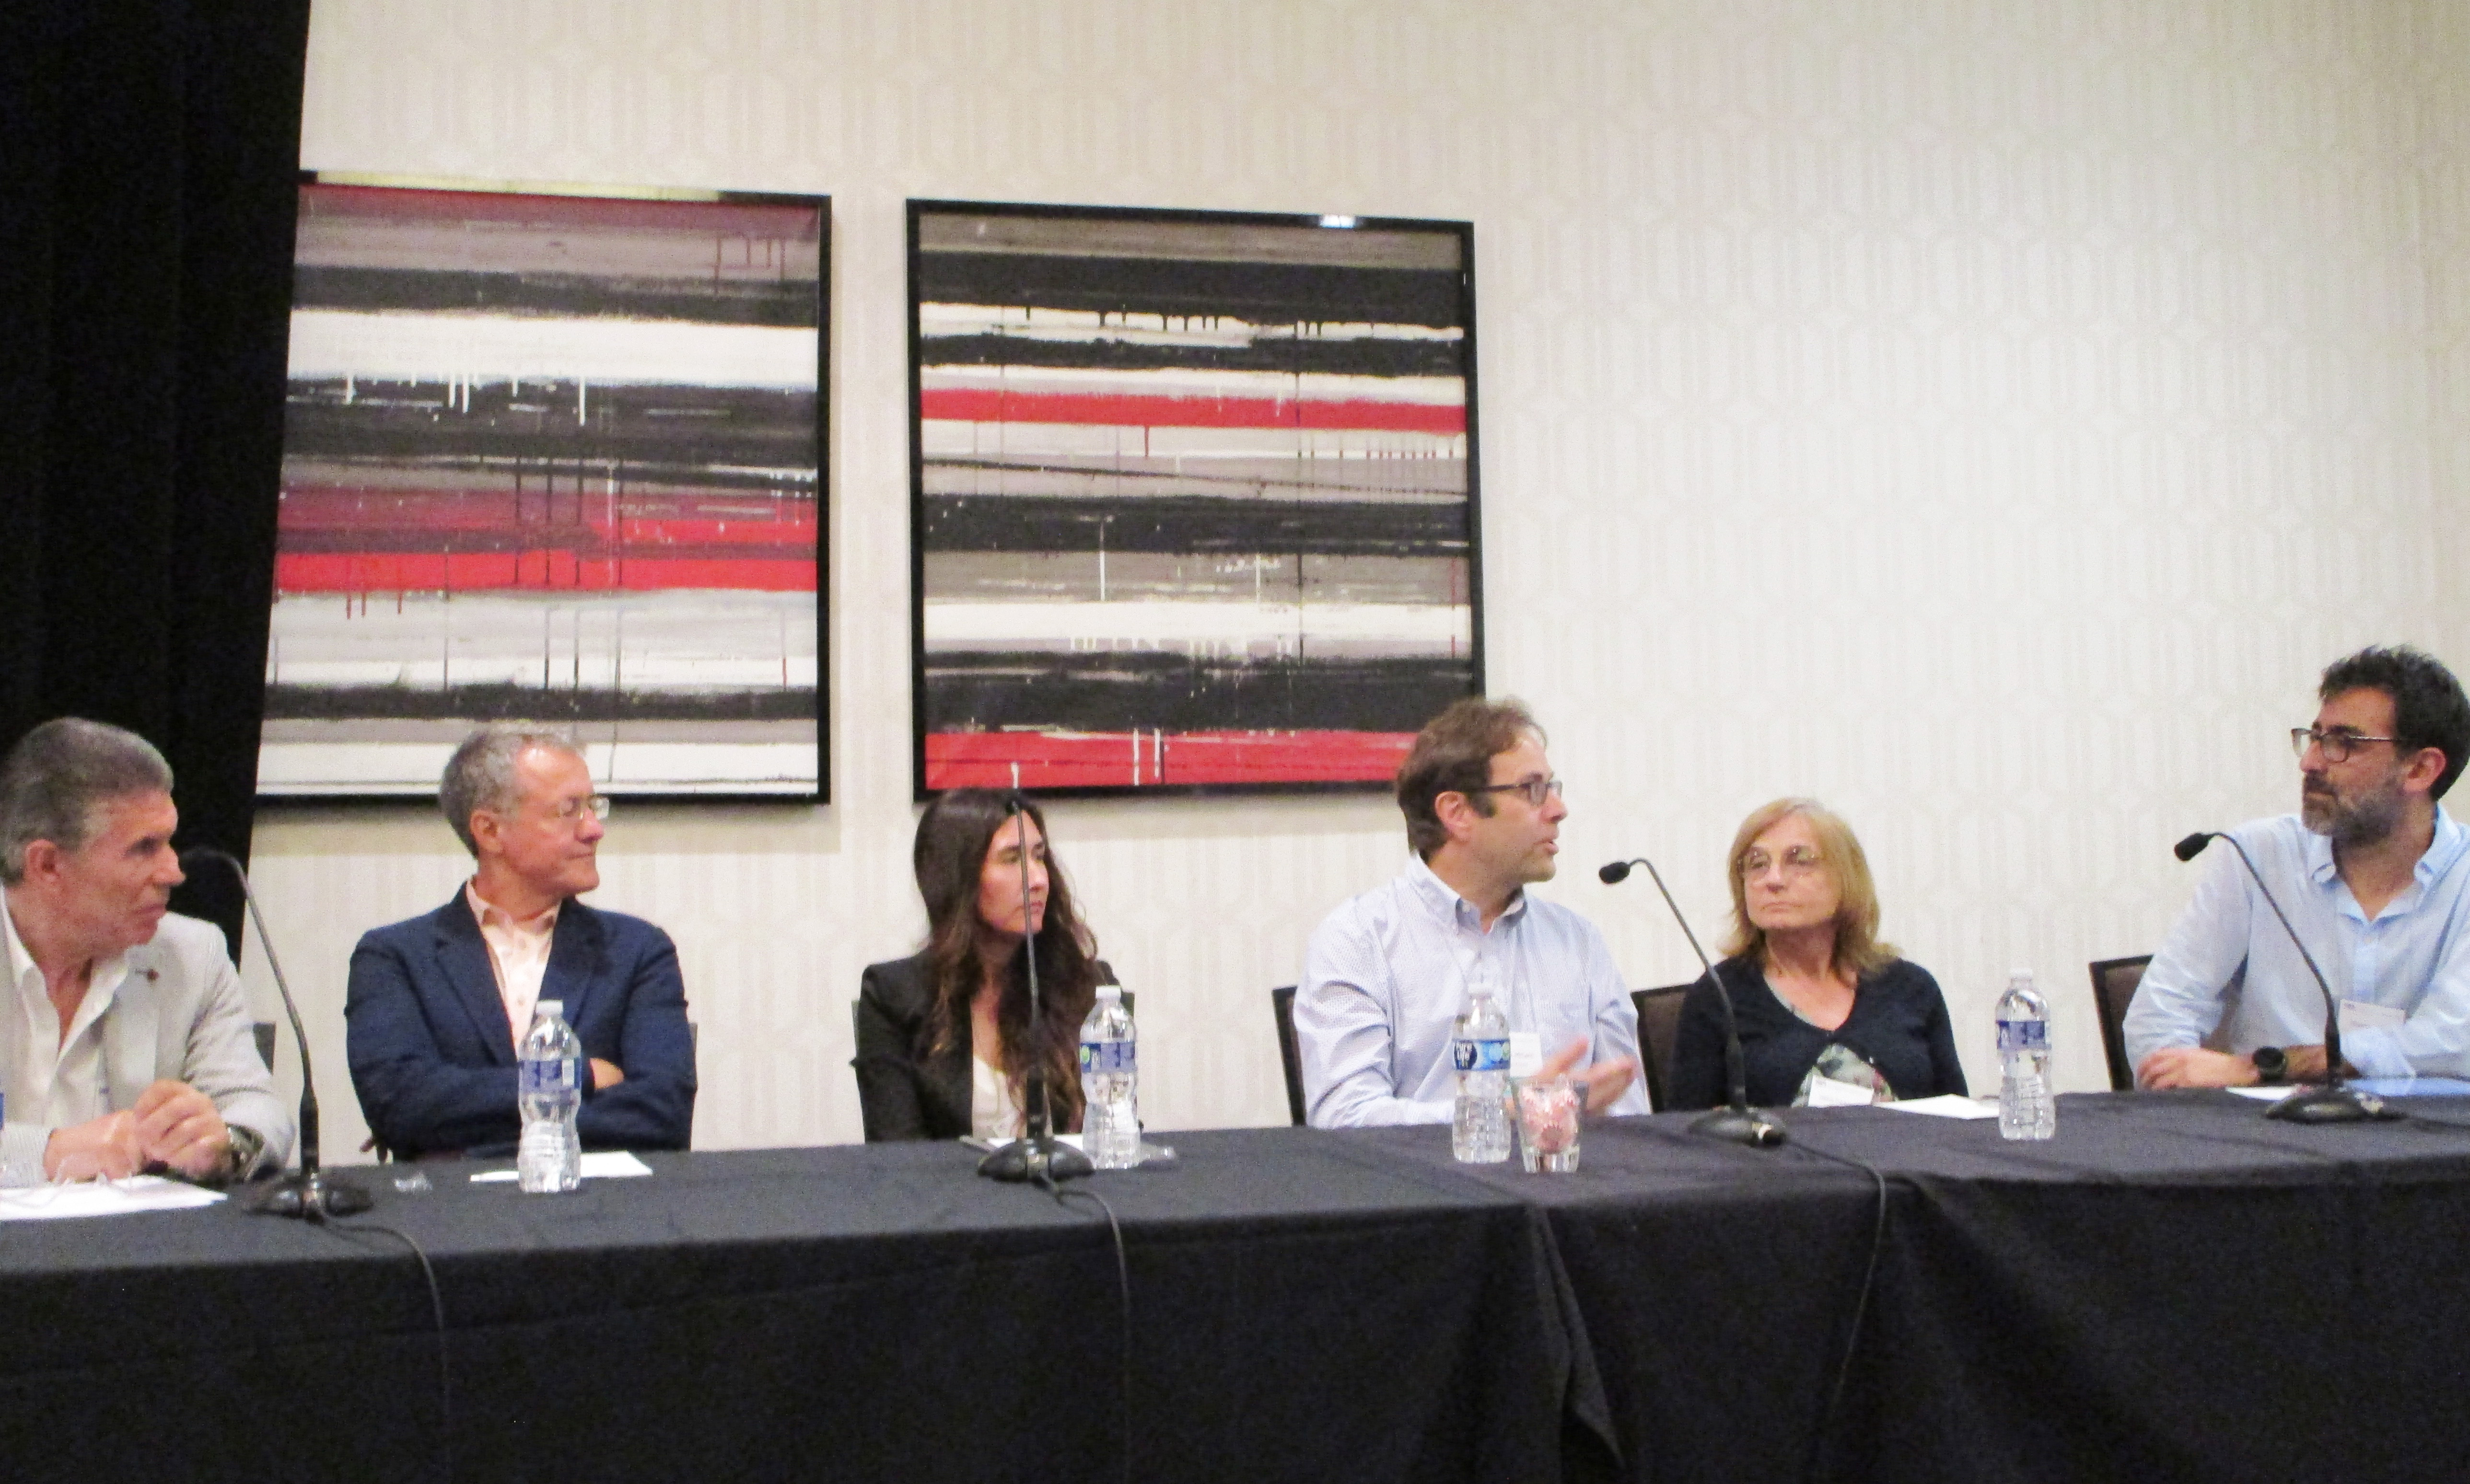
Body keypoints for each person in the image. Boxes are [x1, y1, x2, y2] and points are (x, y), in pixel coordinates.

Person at [2127, 645, 2470, 1088]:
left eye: (2343, 744)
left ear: (2421, 769)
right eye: (2314, 737)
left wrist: (2262, 1067)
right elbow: (2159, 1015)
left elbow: (2452, 1042)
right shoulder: (2257, 856)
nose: (2310, 762)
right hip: (2267, 1140)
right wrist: (2189, 1095)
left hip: (2429, 1144)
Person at [345, 727, 695, 1157]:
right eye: (569, 810)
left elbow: (663, 1114)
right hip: (448, 1215)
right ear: (490, 831)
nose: (593, 830)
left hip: (602, 1210)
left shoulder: (637, 951)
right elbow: (400, 1107)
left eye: (593, 807)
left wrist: (474, 1133)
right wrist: (579, 1076)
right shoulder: (396, 957)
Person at [1295, 697, 1644, 1127]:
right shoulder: (1359, 940)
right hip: (1425, 1190)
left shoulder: (1579, 942)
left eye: (1554, 788)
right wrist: (1504, 1116)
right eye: (1533, 789)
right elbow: (1345, 1119)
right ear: (1457, 814)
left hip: (1568, 1186)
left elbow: (1632, 1117)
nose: (1558, 809)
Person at [0, 718, 291, 1185]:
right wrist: (49, 1154)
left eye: (170, 842)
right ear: (49, 865)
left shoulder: (191, 954)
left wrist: (223, 1143)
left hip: (133, 1250)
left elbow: (260, 1109)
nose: (174, 872)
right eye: (144, 848)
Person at [1666, 799, 1965, 1110]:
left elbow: (1960, 1120)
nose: (1774, 880)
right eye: (1757, 864)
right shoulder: (1718, 997)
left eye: (1800, 861)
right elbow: (1684, 1140)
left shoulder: (1911, 989)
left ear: (1846, 878)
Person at [854, 789, 1111, 1142]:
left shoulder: (1088, 987)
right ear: (957, 878)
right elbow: (898, 1158)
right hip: (945, 1197)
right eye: (1012, 860)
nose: (1037, 879)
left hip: (1073, 1194)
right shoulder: (893, 996)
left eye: (1039, 857)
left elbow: (1118, 1134)